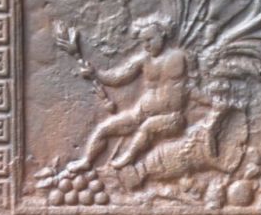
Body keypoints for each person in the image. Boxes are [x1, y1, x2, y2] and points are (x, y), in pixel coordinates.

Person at [68, 13, 188, 171]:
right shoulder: (144, 60)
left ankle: (129, 158)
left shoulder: (179, 58)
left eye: (149, 39)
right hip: (141, 114)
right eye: (143, 41)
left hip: (171, 118)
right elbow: (119, 77)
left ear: (163, 34)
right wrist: (95, 74)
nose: (146, 45)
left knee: (147, 127)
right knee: (104, 129)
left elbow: (190, 87)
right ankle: (87, 161)